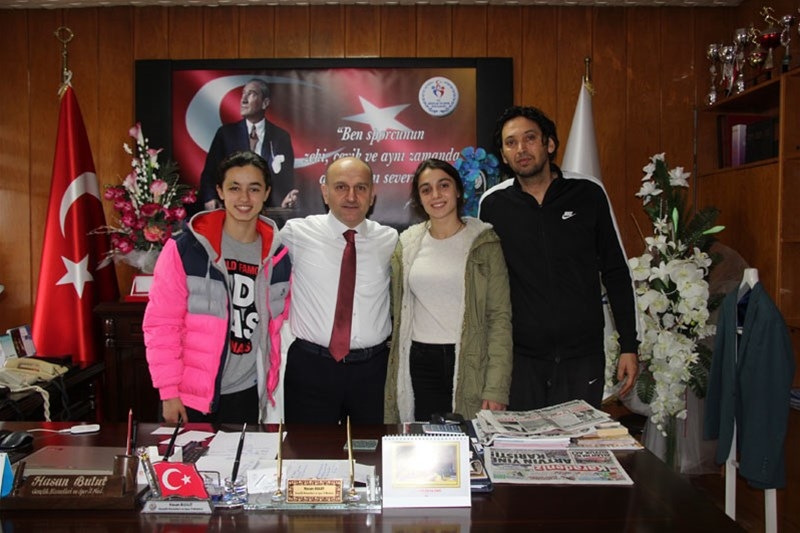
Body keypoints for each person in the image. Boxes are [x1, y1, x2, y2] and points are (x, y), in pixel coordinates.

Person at [479, 105, 638, 410]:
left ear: (549, 144)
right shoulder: (492, 204)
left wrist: (629, 345)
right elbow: (486, 286)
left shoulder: (588, 193)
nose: (521, 149)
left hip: (582, 357)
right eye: (511, 143)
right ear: (503, 155)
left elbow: (616, 272)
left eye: (530, 138)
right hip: (521, 359)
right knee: (523, 440)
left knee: (579, 439)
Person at [144, 151, 291, 424]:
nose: (244, 198)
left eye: (254, 188)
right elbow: (162, 325)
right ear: (220, 191)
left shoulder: (279, 256)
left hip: (248, 393)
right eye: (234, 188)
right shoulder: (186, 249)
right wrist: (169, 392)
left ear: (266, 193)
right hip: (190, 398)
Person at [384, 159, 512, 424]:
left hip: (469, 361)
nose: (436, 195)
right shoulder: (406, 245)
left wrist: (496, 386)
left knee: (470, 439)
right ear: (419, 199)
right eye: (426, 189)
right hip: (419, 362)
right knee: (425, 441)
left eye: (443, 185)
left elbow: (500, 318)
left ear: (458, 190)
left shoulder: (485, 244)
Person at [280, 156, 398, 424]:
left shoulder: (389, 240)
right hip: (311, 369)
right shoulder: (296, 234)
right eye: (341, 187)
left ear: (372, 194)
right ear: (325, 192)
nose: (351, 196)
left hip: (373, 373)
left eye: (361, 188)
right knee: (308, 448)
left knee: (372, 448)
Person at [199, 78, 296, 213]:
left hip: (270, 213)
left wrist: (286, 199)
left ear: (265, 103)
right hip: (233, 211)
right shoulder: (226, 134)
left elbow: (287, 180)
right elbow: (209, 174)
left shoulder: (281, 137)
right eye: (243, 94)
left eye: (251, 94)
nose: (243, 100)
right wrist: (210, 198)